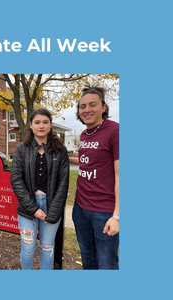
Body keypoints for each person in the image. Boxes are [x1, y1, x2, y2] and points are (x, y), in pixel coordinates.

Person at [10, 108, 69, 270]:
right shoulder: (22, 149)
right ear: (31, 125)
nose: (41, 126)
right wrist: (33, 209)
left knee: (47, 248)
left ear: (50, 125)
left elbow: (63, 183)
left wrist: (54, 211)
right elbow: (16, 180)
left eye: (45, 122)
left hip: (52, 206)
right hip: (27, 207)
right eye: (37, 122)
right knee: (28, 248)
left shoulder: (60, 151)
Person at [70, 85, 119, 270]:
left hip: (104, 212)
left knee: (107, 263)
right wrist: (62, 157)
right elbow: (88, 160)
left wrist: (117, 215)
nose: (87, 110)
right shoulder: (84, 134)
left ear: (103, 107)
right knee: (88, 258)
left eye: (92, 105)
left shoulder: (115, 131)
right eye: (82, 106)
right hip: (80, 208)